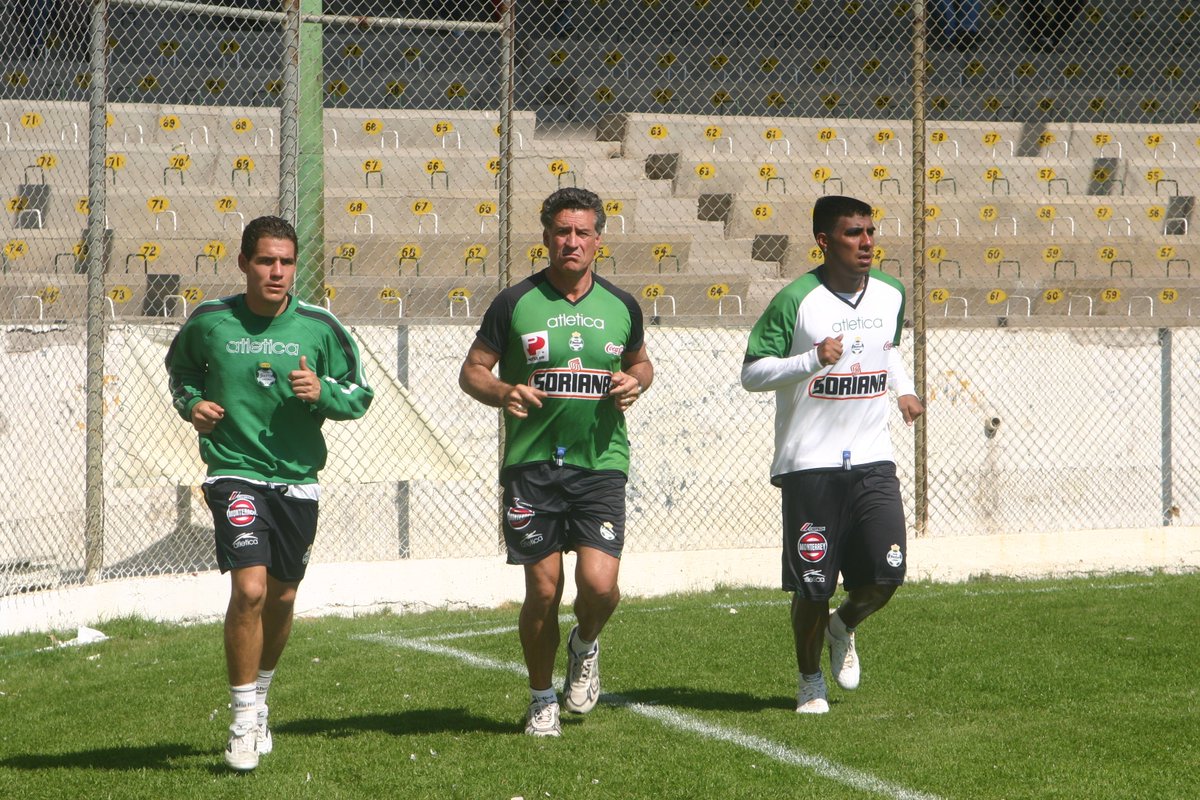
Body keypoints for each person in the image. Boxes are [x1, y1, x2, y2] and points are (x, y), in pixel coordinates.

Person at [165, 216, 373, 769]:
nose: (276, 272)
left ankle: (260, 696)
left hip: (298, 478)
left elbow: (359, 394)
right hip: (234, 471)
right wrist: (193, 406)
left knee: (281, 597)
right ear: (243, 263)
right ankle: (239, 722)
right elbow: (181, 372)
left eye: (285, 262)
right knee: (251, 590)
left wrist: (322, 391)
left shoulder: (320, 327)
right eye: (265, 261)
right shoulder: (211, 321)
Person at [459, 187, 653, 737]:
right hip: (532, 464)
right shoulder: (514, 302)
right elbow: (473, 369)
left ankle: (585, 644)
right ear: (545, 237)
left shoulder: (622, 306)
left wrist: (633, 381)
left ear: (599, 239)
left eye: (582, 232)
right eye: (562, 232)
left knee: (598, 586)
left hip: (601, 461)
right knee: (543, 589)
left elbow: (642, 364)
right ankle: (542, 698)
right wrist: (502, 392)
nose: (572, 241)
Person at [740, 195, 923, 715]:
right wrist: (810, 359)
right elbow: (752, 372)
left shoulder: (891, 293)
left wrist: (902, 390)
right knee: (813, 587)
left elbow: (886, 350)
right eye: (853, 234)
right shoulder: (796, 300)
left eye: (870, 231)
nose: (867, 242)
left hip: (872, 459)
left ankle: (844, 627)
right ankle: (809, 680)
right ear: (824, 241)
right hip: (809, 465)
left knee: (887, 576)